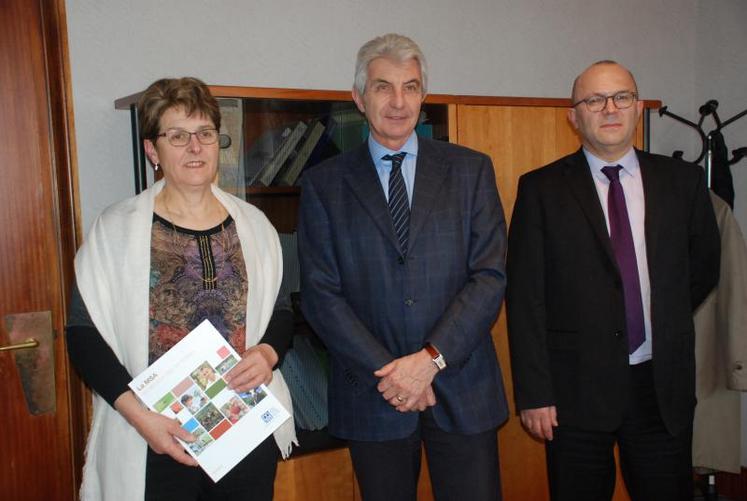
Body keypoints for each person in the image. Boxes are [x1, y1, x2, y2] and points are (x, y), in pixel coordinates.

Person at [298, 33, 508, 501]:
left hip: (462, 386)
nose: (398, 101)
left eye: (410, 87)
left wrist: (429, 360)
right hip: (374, 393)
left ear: (423, 96)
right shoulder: (323, 184)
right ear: (358, 97)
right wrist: (392, 375)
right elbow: (320, 294)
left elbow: (489, 276)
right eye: (383, 87)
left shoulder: (470, 170)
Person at [65, 77, 296, 501]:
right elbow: (83, 335)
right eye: (178, 136)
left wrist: (267, 353)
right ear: (153, 150)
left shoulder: (255, 226)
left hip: (240, 430)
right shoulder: (115, 230)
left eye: (205, 134)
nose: (195, 147)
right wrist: (140, 419)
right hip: (154, 435)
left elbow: (281, 312)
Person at [506, 60, 721, 501]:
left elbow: (702, 268)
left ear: (638, 107)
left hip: (661, 388)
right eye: (594, 100)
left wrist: (663, 316)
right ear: (574, 115)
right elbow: (525, 298)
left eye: (621, 97)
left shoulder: (683, 182)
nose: (609, 109)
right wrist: (534, 393)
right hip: (573, 395)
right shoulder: (541, 189)